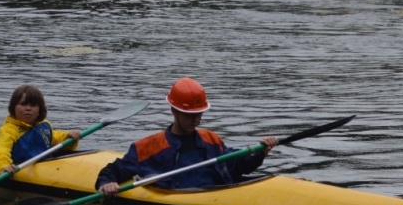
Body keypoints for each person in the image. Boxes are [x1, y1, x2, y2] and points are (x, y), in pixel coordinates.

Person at [96, 78, 278, 195]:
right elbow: (113, 170)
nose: (196, 119)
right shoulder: (149, 147)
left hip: (218, 195)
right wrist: (107, 183)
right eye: (190, 114)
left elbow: (237, 166)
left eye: (199, 114)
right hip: (185, 200)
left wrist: (260, 152)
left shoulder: (211, 139)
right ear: (174, 111)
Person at [0, 85, 81, 175]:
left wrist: (68, 137)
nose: (28, 108)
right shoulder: (8, 131)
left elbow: (55, 139)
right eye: (23, 104)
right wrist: (3, 166)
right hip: (21, 169)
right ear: (13, 107)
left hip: (45, 167)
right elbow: (0, 151)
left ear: (40, 109)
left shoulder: (44, 125)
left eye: (33, 105)